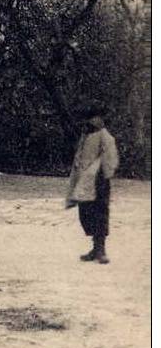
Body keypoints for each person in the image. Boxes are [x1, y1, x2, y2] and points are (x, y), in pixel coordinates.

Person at [65, 106, 119, 264]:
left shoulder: (104, 135)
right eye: (91, 118)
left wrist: (105, 174)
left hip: (99, 180)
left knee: (100, 213)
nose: (94, 121)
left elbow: (111, 157)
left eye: (96, 117)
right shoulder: (85, 135)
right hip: (85, 181)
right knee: (86, 212)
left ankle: (100, 249)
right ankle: (95, 248)